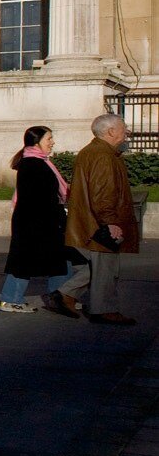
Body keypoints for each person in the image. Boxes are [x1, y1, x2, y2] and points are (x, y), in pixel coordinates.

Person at [58, 114, 141, 325]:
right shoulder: (103, 155)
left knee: (101, 267)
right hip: (100, 224)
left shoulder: (94, 151)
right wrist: (110, 221)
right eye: (123, 128)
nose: (127, 132)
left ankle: (65, 293)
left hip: (91, 221)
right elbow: (102, 192)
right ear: (111, 131)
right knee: (107, 268)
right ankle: (104, 309)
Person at [0, 126, 81, 315]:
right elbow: (39, 197)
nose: (52, 142)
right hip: (35, 223)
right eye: (49, 139)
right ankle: (11, 299)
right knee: (24, 262)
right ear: (37, 143)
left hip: (41, 221)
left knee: (59, 259)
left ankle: (61, 296)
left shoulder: (38, 162)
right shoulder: (34, 164)